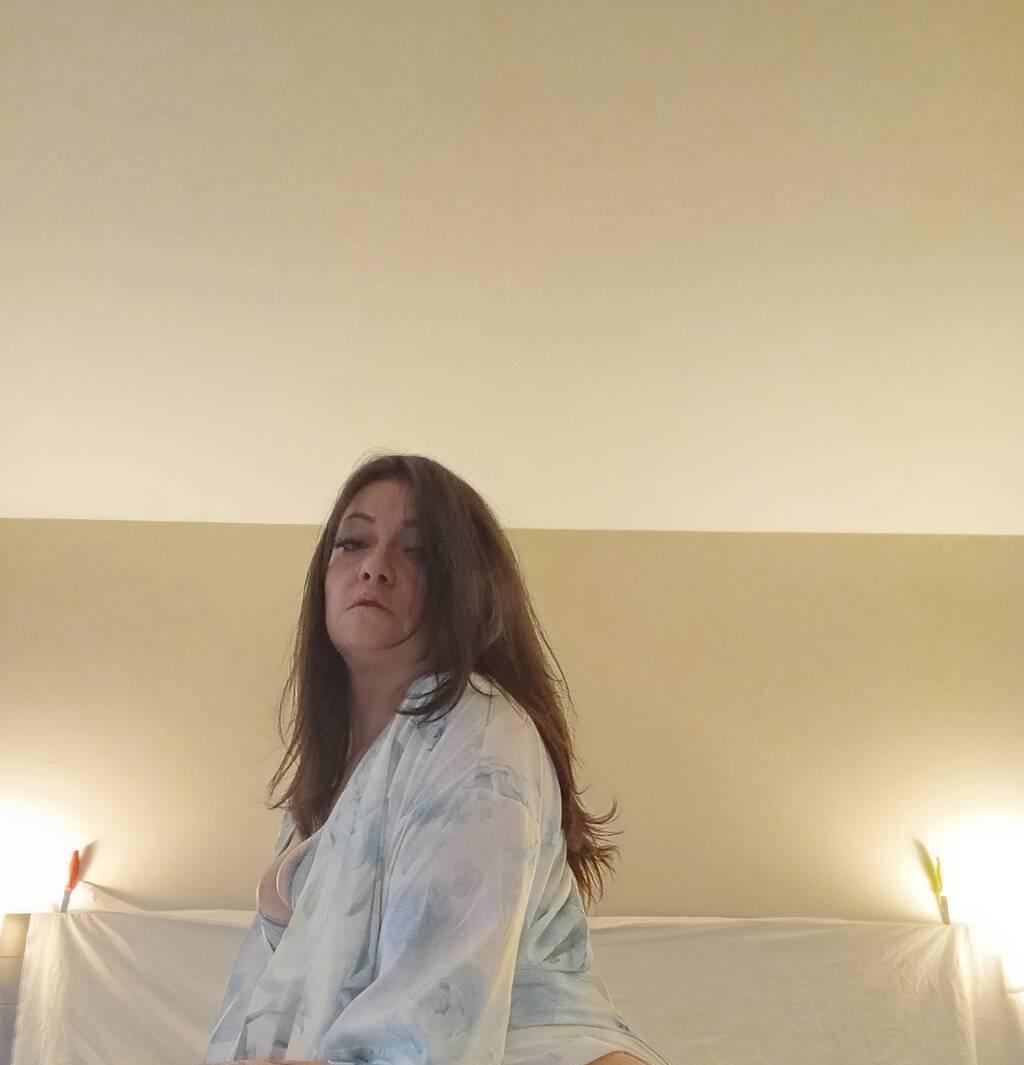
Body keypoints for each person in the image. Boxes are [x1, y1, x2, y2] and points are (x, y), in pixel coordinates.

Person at [204, 453, 671, 1065]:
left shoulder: (479, 735)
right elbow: (275, 1005)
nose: (375, 566)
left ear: (468, 589)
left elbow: (432, 1024)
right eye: (352, 542)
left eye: (417, 550)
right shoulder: (324, 784)